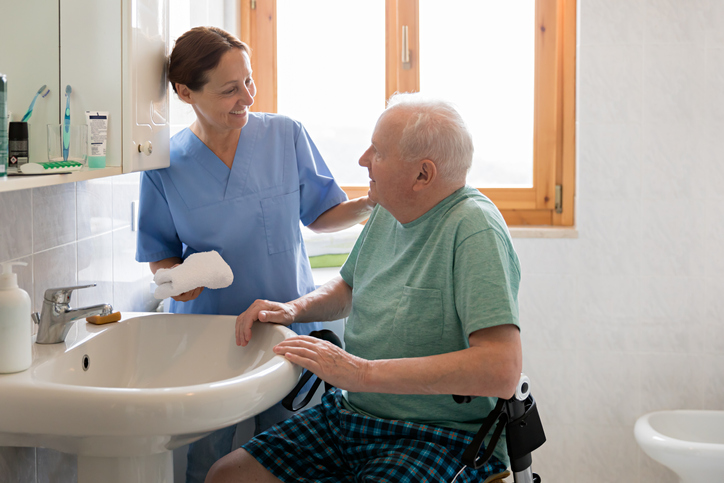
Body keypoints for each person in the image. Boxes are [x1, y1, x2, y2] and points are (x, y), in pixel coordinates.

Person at [205, 93, 523, 483]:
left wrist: (361, 373)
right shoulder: (390, 208)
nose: (363, 160)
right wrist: (293, 309)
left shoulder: (474, 229)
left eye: (379, 151)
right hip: (352, 417)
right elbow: (348, 287)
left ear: (423, 175)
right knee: (227, 476)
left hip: (440, 434)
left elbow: (500, 369)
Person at [135, 26, 375, 483]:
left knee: (295, 458)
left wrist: (369, 203)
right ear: (186, 92)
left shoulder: (285, 135)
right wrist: (179, 282)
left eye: (248, 81)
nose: (246, 96)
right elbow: (161, 255)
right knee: (207, 462)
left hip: (288, 329)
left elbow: (321, 213)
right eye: (229, 89)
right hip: (208, 339)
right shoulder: (164, 164)